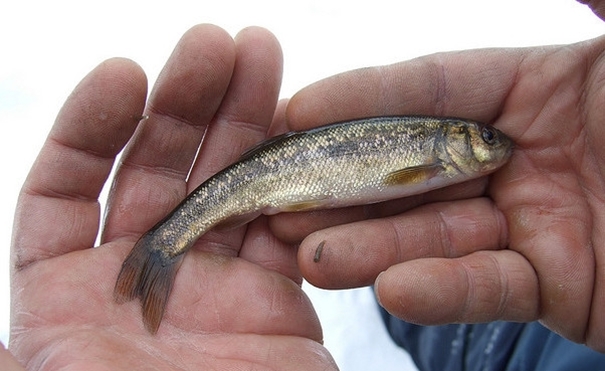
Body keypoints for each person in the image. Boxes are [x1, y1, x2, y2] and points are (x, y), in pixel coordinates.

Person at [7, 1, 605, 369]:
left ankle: (395, 319)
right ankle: (168, 245)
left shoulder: (440, 153)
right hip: (272, 184)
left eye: (489, 143)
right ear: (451, 145)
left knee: (431, 303)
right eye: (484, 143)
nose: (494, 151)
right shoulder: (430, 152)